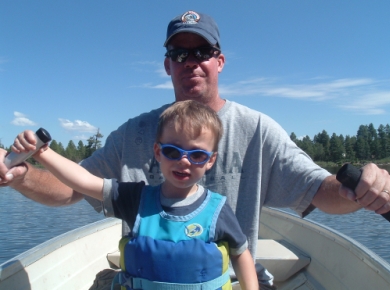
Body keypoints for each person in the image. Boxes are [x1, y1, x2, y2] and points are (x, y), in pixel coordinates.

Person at [1, 9, 390, 284]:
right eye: (179, 53)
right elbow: (73, 187)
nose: (191, 61)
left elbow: (320, 190)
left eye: (202, 52)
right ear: (167, 65)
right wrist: (23, 173)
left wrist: (366, 188)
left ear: (220, 61)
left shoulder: (257, 129)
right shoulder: (134, 133)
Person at [12, 100, 259, 289]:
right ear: (158, 152)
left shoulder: (217, 210)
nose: (184, 161)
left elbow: (241, 253)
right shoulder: (135, 199)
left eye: (197, 155)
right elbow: (83, 180)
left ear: (210, 161)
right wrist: (41, 153)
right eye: (173, 151)